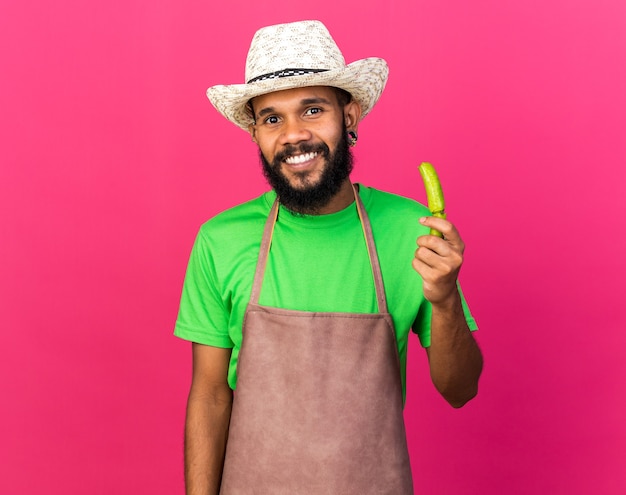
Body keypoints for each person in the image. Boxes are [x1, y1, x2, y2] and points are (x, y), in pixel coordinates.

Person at [175, 20, 483, 495]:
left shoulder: (411, 231)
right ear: (255, 133)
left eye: (313, 110)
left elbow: (460, 390)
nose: (294, 135)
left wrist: (443, 301)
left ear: (350, 115)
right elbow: (211, 396)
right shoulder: (221, 239)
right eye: (272, 118)